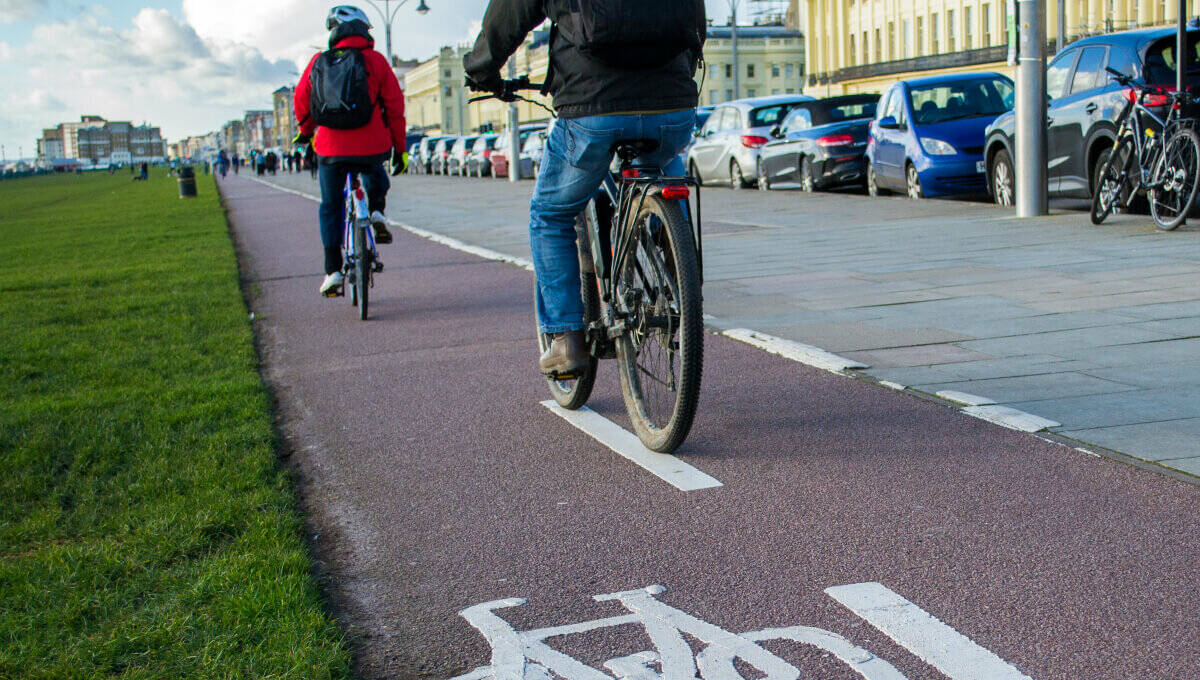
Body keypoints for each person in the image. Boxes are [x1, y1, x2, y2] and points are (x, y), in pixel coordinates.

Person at [464, 0, 705, 375]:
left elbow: (508, 16)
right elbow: (694, 19)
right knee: (663, 171)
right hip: (672, 104)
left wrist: (482, 70)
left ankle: (566, 341)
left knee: (550, 215)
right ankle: (680, 282)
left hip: (592, 106)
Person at [294, 5, 407, 297]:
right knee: (374, 171)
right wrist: (400, 150)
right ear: (363, 30)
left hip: (330, 148)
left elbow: (301, 100)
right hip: (372, 144)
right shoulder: (376, 61)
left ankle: (332, 270)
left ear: (333, 33)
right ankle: (378, 211)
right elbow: (395, 108)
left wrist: (306, 133)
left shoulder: (318, 61)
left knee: (330, 206)